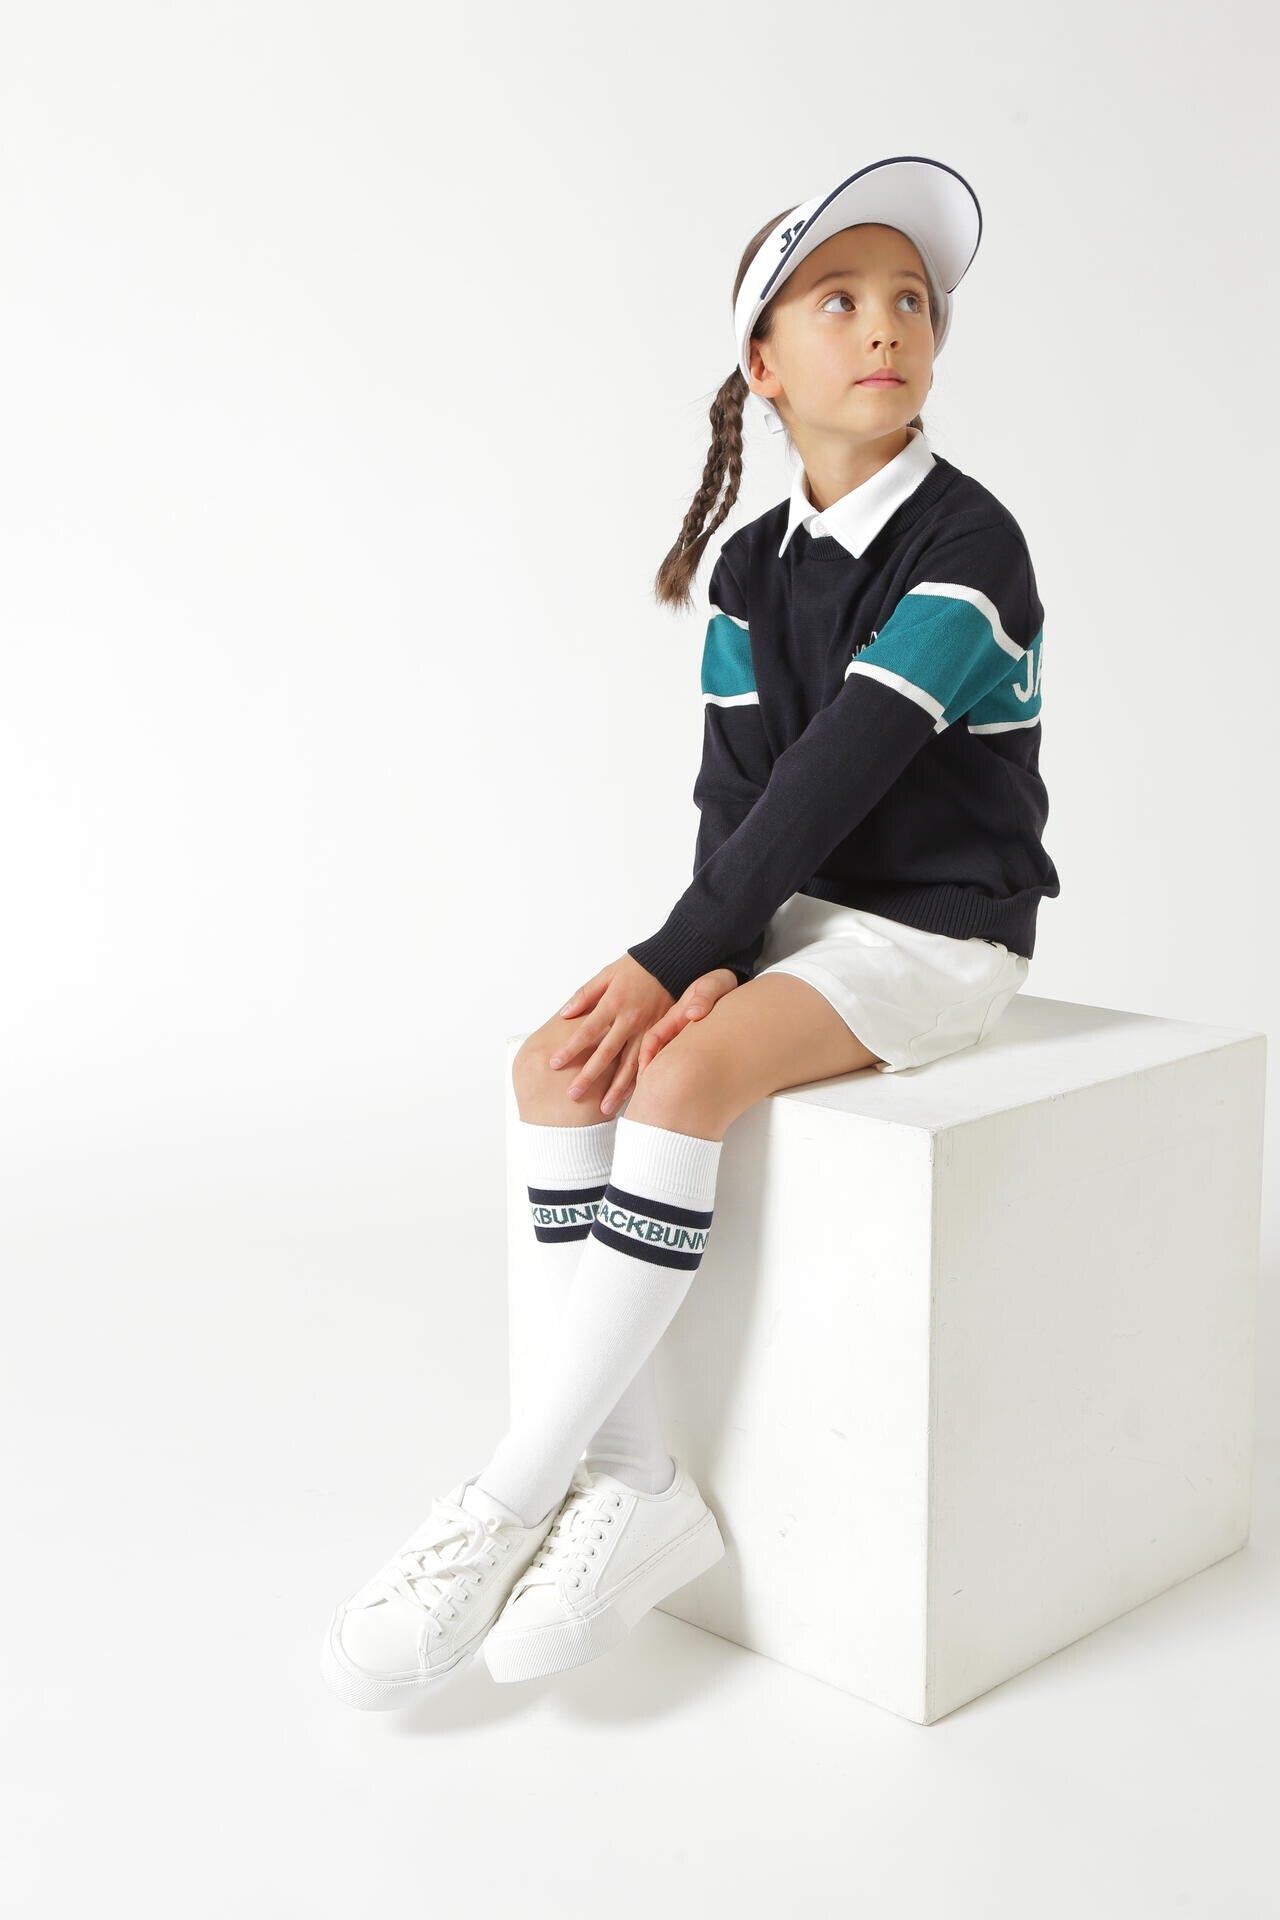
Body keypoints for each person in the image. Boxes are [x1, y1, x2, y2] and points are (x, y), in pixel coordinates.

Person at [321, 155, 1062, 1711]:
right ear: (762, 365)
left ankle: (509, 1495)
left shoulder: (971, 544)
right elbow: (741, 804)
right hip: (791, 918)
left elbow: (846, 767)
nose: (888, 325)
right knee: (554, 1066)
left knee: (676, 1075)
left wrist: (684, 961)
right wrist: (706, 946)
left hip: (937, 934)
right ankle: (636, 1475)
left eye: (912, 300)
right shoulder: (749, 568)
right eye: (838, 299)